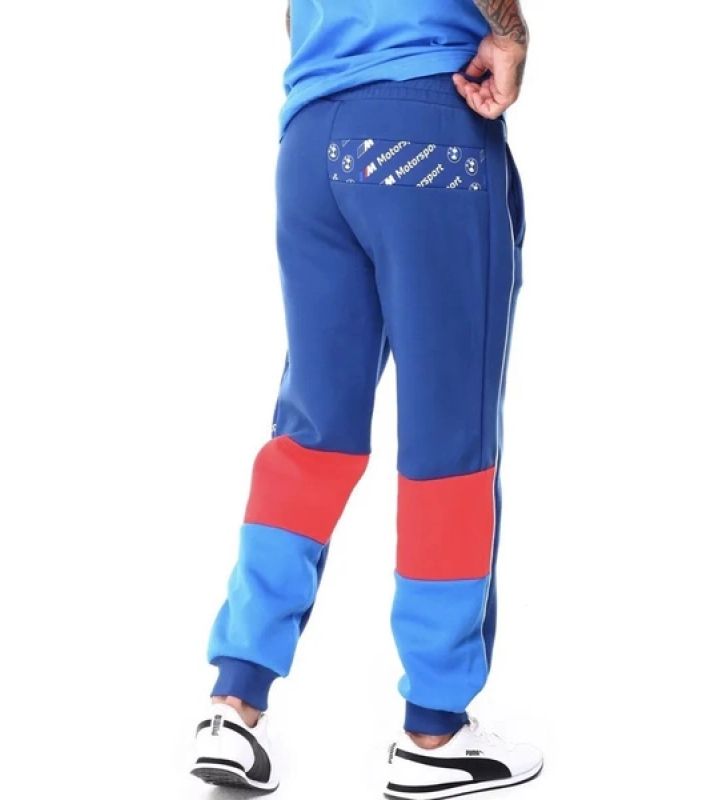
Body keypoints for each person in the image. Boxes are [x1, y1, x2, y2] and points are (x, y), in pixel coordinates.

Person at [191, 2, 542, 797]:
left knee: (311, 436)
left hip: (310, 140)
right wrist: (510, 34)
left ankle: (234, 705)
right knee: (449, 445)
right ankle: (435, 732)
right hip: (428, 129)